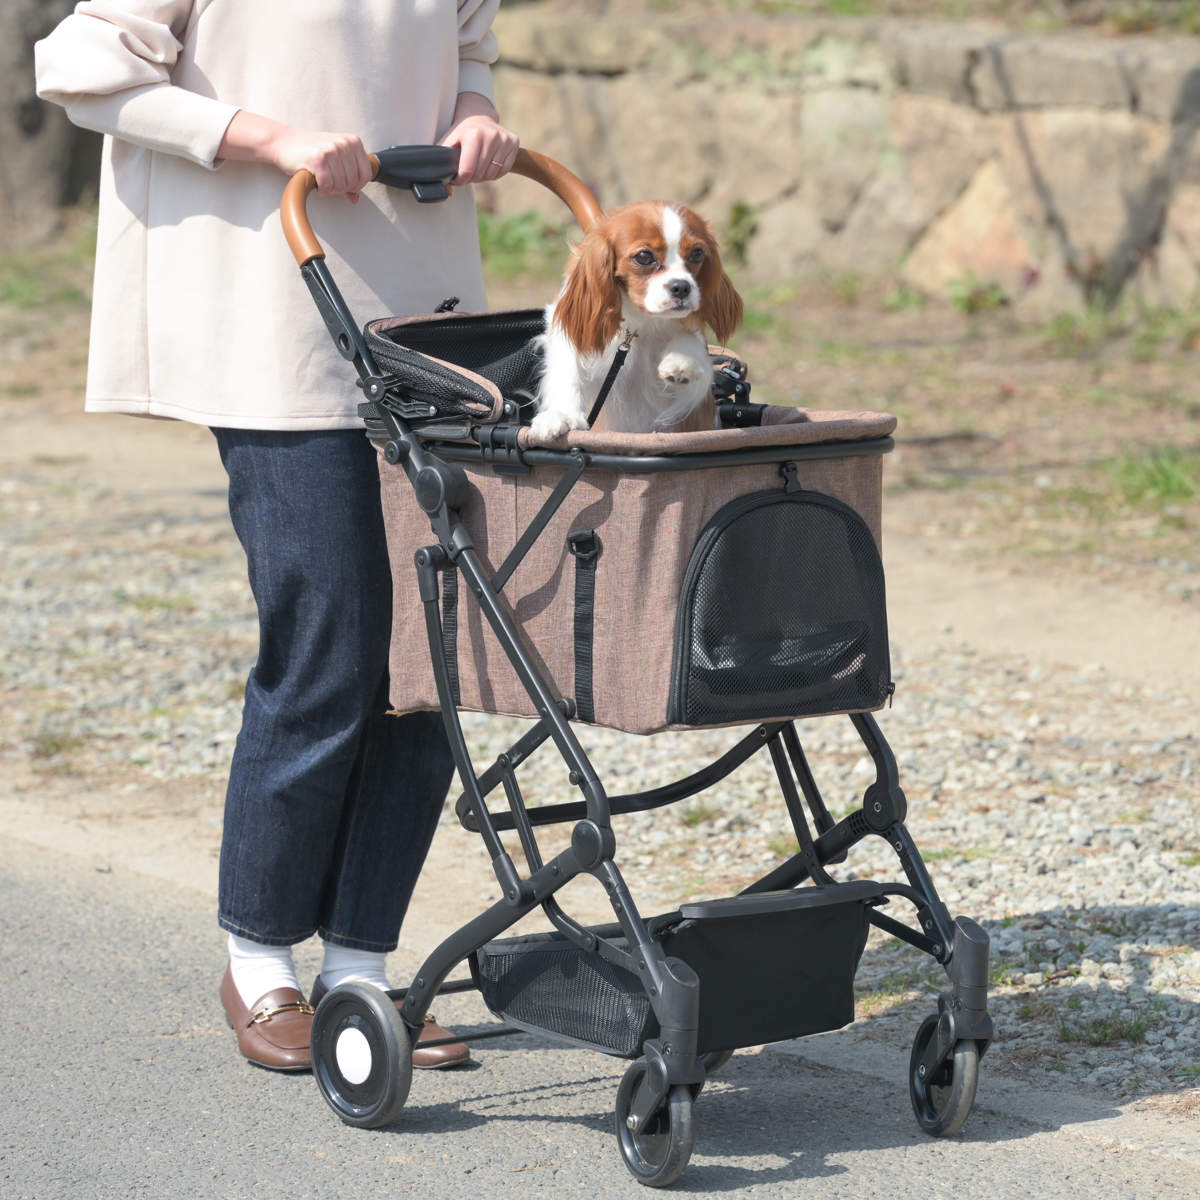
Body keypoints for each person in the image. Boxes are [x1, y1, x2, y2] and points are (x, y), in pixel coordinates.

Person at [34, 0, 518, 1073]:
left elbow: (467, 48)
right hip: (266, 316)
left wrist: (478, 114)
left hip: (427, 325)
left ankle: (357, 969)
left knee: (429, 660)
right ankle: (260, 960)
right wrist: (273, 138)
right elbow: (77, 69)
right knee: (330, 641)